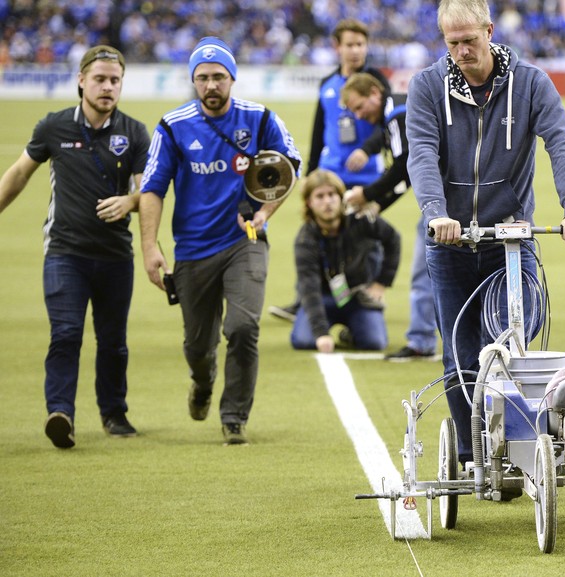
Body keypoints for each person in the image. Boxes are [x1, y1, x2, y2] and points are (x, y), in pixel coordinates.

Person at [406, 0, 565, 466]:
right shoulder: (428, 86)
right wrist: (435, 212)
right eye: (453, 43)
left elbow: (561, 141)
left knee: (515, 343)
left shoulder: (530, 83)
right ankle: (474, 458)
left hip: (508, 239)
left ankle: (521, 446)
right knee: (459, 357)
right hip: (449, 242)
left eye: (470, 40)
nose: (463, 51)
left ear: (490, 30)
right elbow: (422, 153)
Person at [138, 37, 302, 446]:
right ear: (193, 81)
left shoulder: (261, 118)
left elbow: (288, 167)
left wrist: (264, 213)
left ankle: (233, 417)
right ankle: (202, 379)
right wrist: (150, 246)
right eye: (202, 78)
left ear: (232, 78)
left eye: (218, 77)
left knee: (244, 327)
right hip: (192, 249)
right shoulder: (172, 126)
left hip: (244, 240)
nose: (211, 85)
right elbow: (152, 189)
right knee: (198, 344)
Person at [0, 46, 149, 449]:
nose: (107, 87)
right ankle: (60, 413)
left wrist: (130, 202)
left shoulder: (134, 132)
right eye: (100, 79)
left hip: (116, 254)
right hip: (65, 252)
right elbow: (17, 174)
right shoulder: (54, 127)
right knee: (65, 334)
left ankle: (114, 413)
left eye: (115, 80)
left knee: (113, 340)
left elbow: (146, 191)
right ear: (81, 80)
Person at [269, 18, 391, 323]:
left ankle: (366, 296)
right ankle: (303, 299)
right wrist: (309, 172)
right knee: (316, 235)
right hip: (330, 174)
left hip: (367, 177)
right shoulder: (327, 85)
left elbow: (391, 126)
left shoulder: (376, 81)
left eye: (360, 44)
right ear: (337, 47)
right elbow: (318, 131)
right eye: (349, 44)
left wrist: (368, 149)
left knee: (367, 236)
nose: (355, 50)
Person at [340, 72, 440, 362]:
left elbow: (404, 166)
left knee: (425, 272)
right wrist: (378, 205)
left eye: (360, 107)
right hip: (450, 198)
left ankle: (421, 341)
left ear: (374, 92)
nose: (360, 116)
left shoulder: (397, 114)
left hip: (441, 205)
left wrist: (368, 195)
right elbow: (409, 175)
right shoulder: (401, 107)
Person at [290, 169, 401, 353]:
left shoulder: (360, 219)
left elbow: (393, 238)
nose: (327, 202)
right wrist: (321, 333)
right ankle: (318, 325)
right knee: (304, 340)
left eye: (332, 194)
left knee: (374, 342)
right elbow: (308, 288)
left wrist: (382, 283)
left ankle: (350, 334)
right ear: (309, 203)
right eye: (320, 196)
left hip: (358, 296)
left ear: (341, 197)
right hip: (323, 298)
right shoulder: (305, 239)